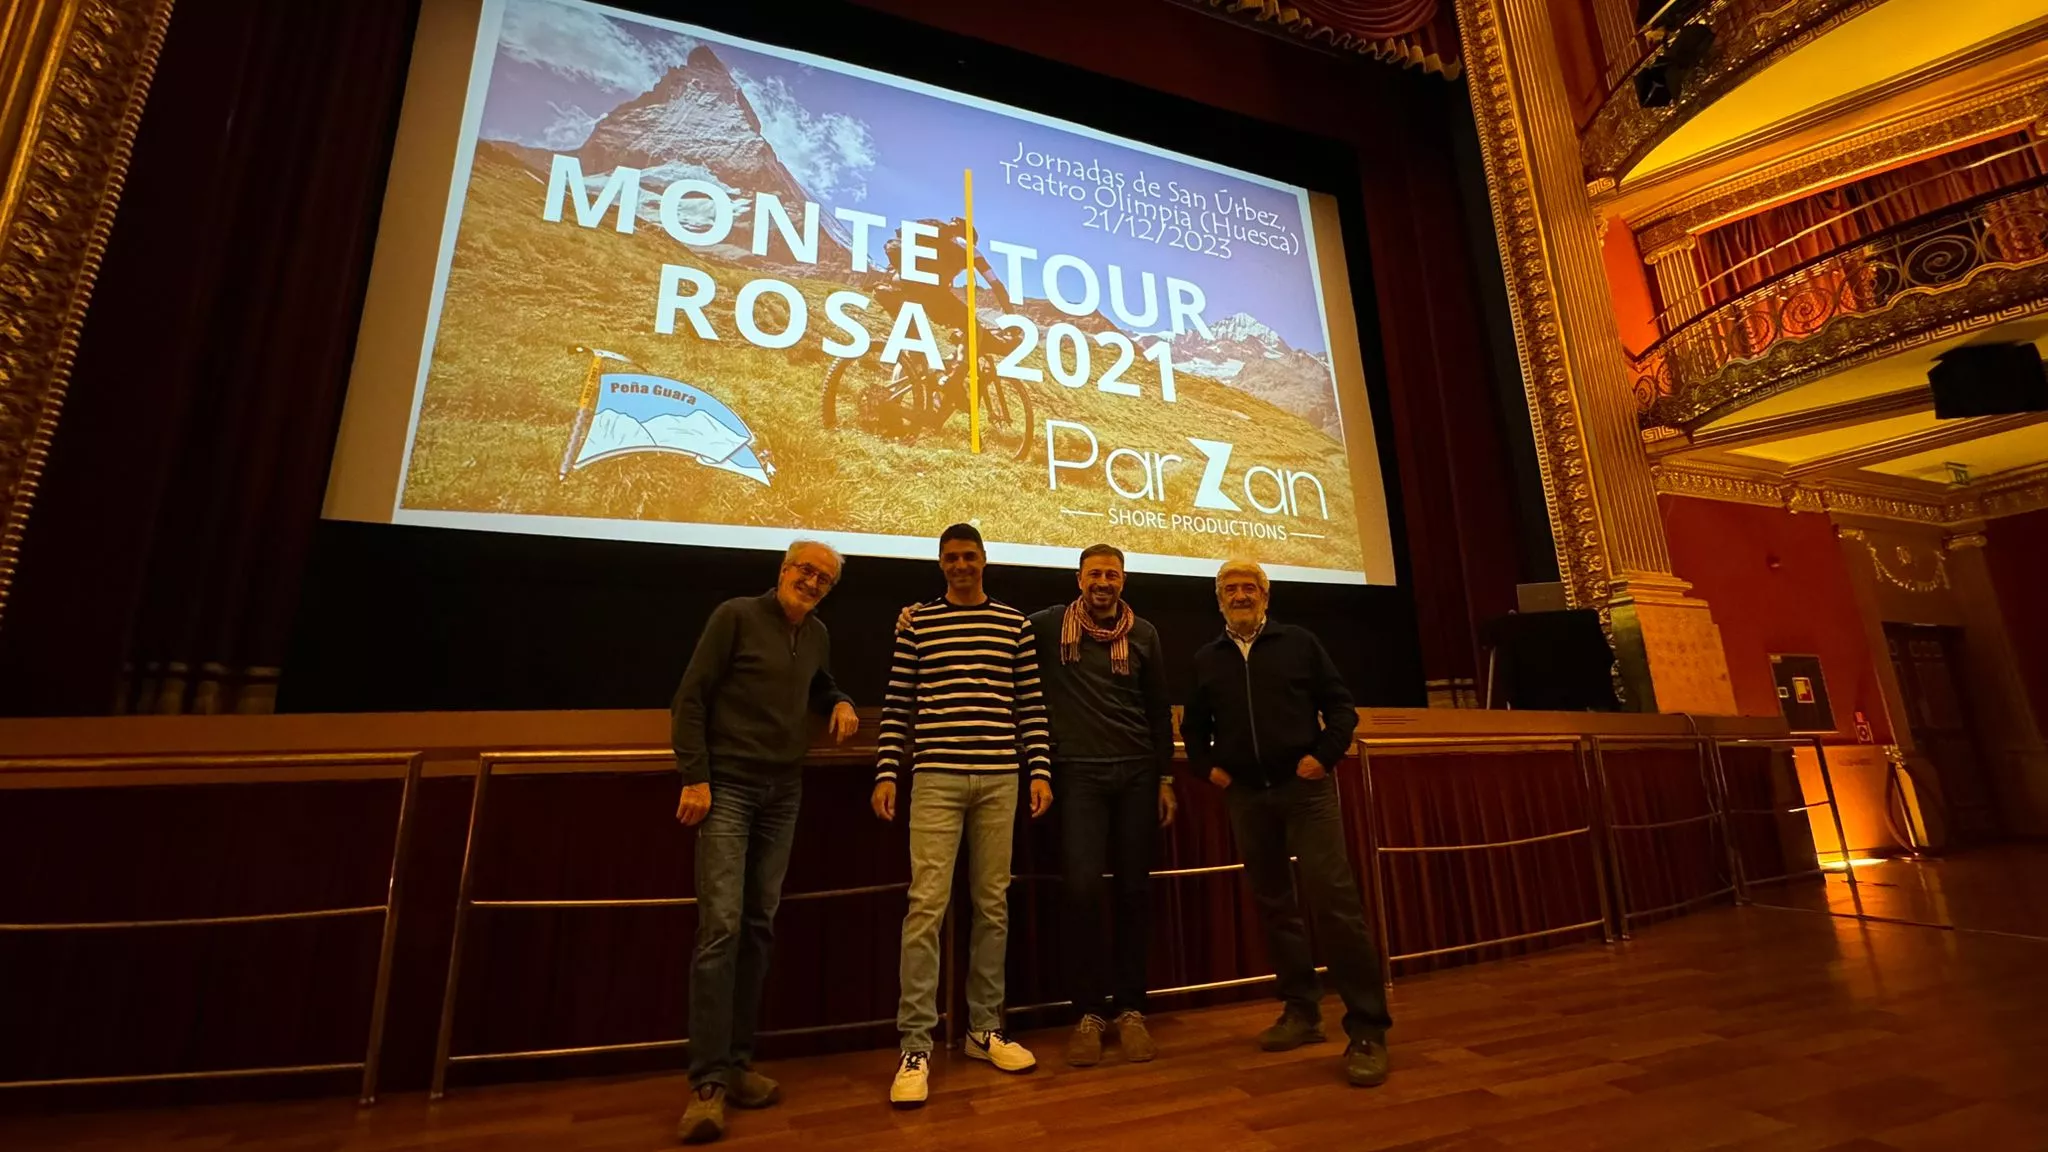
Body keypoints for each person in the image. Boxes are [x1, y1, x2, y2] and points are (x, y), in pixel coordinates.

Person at [670, 542, 861, 1144]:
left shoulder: (819, 633)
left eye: (823, 578)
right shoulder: (734, 616)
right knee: (720, 929)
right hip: (726, 788)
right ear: (782, 571)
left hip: (785, 793)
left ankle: (737, 1065)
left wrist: (840, 702)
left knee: (757, 925)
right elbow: (691, 698)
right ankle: (706, 1087)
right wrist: (695, 776)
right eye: (804, 570)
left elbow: (819, 683)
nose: (811, 581)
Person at [1179, 558, 1393, 1088]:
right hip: (1249, 798)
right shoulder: (1207, 658)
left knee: (1335, 904)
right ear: (1218, 598)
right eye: (1231, 587)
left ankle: (1367, 1029)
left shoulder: (1300, 642)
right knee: (1275, 906)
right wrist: (1211, 771)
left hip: (1307, 791)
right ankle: (1302, 1012)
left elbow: (1342, 710)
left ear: (1266, 595)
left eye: (1250, 586)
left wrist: (1324, 754)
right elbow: (1194, 729)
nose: (1241, 593)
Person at [873, 523, 1051, 1107]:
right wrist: (886, 771)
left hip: (1002, 776)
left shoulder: (1014, 623)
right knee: (926, 906)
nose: (960, 565)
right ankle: (916, 1044)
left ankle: (982, 1028)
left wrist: (1041, 769)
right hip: (935, 777)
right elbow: (898, 702)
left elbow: (1030, 703)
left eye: (969, 556)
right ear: (939, 563)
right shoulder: (917, 623)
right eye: (950, 558)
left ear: (985, 560)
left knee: (992, 904)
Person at [1029, 545, 1176, 1066]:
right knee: (1083, 890)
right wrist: (916, 612)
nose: (1102, 582)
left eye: (1111, 574)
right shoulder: (1047, 627)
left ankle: (1132, 1009)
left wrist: (1164, 778)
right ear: (1079, 579)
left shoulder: (1145, 633)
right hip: (1078, 776)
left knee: (1135, 891)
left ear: (1123, 580)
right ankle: (1089, 1012)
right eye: (1094, 573)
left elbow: (1159, 711)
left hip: (1138, 772)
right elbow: (992, 630)